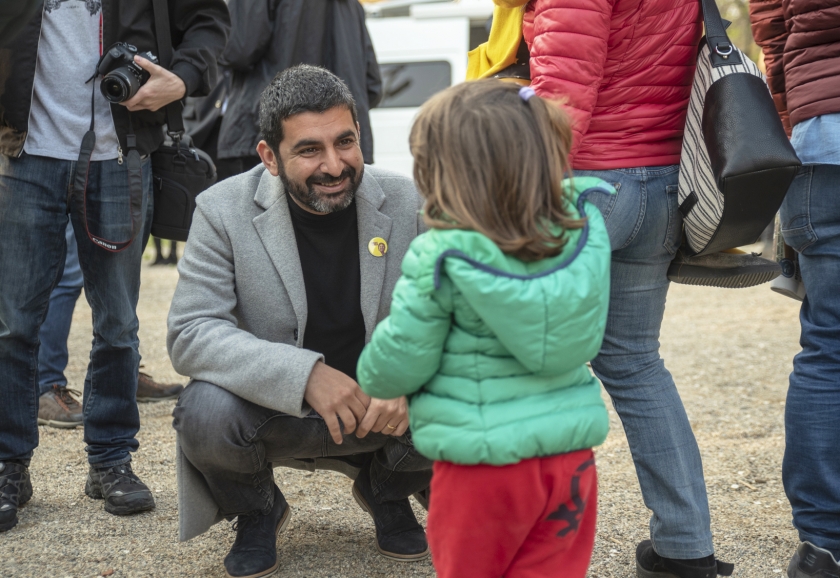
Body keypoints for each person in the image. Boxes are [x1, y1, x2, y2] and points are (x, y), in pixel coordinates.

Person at [167, 65, 433, 578]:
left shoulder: (409, 203)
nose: (334, 165)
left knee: (457, 387)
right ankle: (258, 508)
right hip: (271, 410)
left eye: (345, 142)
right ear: (269, 156)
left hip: (380, 411)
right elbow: (191, 332)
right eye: (309, 149)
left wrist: (409, 372)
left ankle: (387, 489)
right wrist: (306, 375)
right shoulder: (221, 210)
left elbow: (454, 316)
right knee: (202, 412)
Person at [515, 0, 736, 575]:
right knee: (637, 365)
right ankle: (686, 548)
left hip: (586, 186)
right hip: (662, 184)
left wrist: (522, 205)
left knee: (535, 366)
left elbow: (563, 91)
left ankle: (533, 548)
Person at [357, 80, 612, 578]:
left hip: (482, 468)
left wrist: (372, 368)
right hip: (569, 461)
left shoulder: (442, 256)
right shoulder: (583, 233)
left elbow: (394, 370)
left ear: (449, 176)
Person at [0, 0, 229, 533]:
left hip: (123, 154)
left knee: (119, 324)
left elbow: (209, 19)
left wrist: (185, 78)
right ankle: (9, 463)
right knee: (12, 325)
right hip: (23, 151)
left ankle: (110, 460)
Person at [750, 2, 840, 577]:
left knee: (829, 348)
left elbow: (774, 45)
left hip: (821, 142)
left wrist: (793, 128)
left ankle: (823, 544)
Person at [37, 222, 185, 430]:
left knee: (121, 272)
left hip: (125, 190)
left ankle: (124, 375)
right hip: (74, 189)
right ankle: (47, 386)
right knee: (68, 272)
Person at [215, 0, 381, 181]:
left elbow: (236, 49)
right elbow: (372, 87)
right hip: (345, 152)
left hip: (264, 138)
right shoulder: (351, 5)